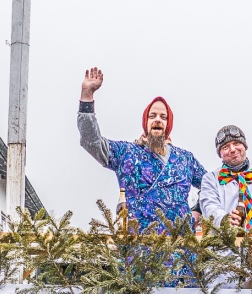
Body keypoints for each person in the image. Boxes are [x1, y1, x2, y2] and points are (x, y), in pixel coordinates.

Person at [77, 66, 207, 231]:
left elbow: (210, 187)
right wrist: (87, 95)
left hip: (180, 249)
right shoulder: (127, 153)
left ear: (169, 125)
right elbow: (91, 141)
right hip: (138, 248)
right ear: (146, 123)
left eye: (163, 117)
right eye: (152, 116)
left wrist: (197, 209)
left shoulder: (185, 160)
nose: (157, 120)